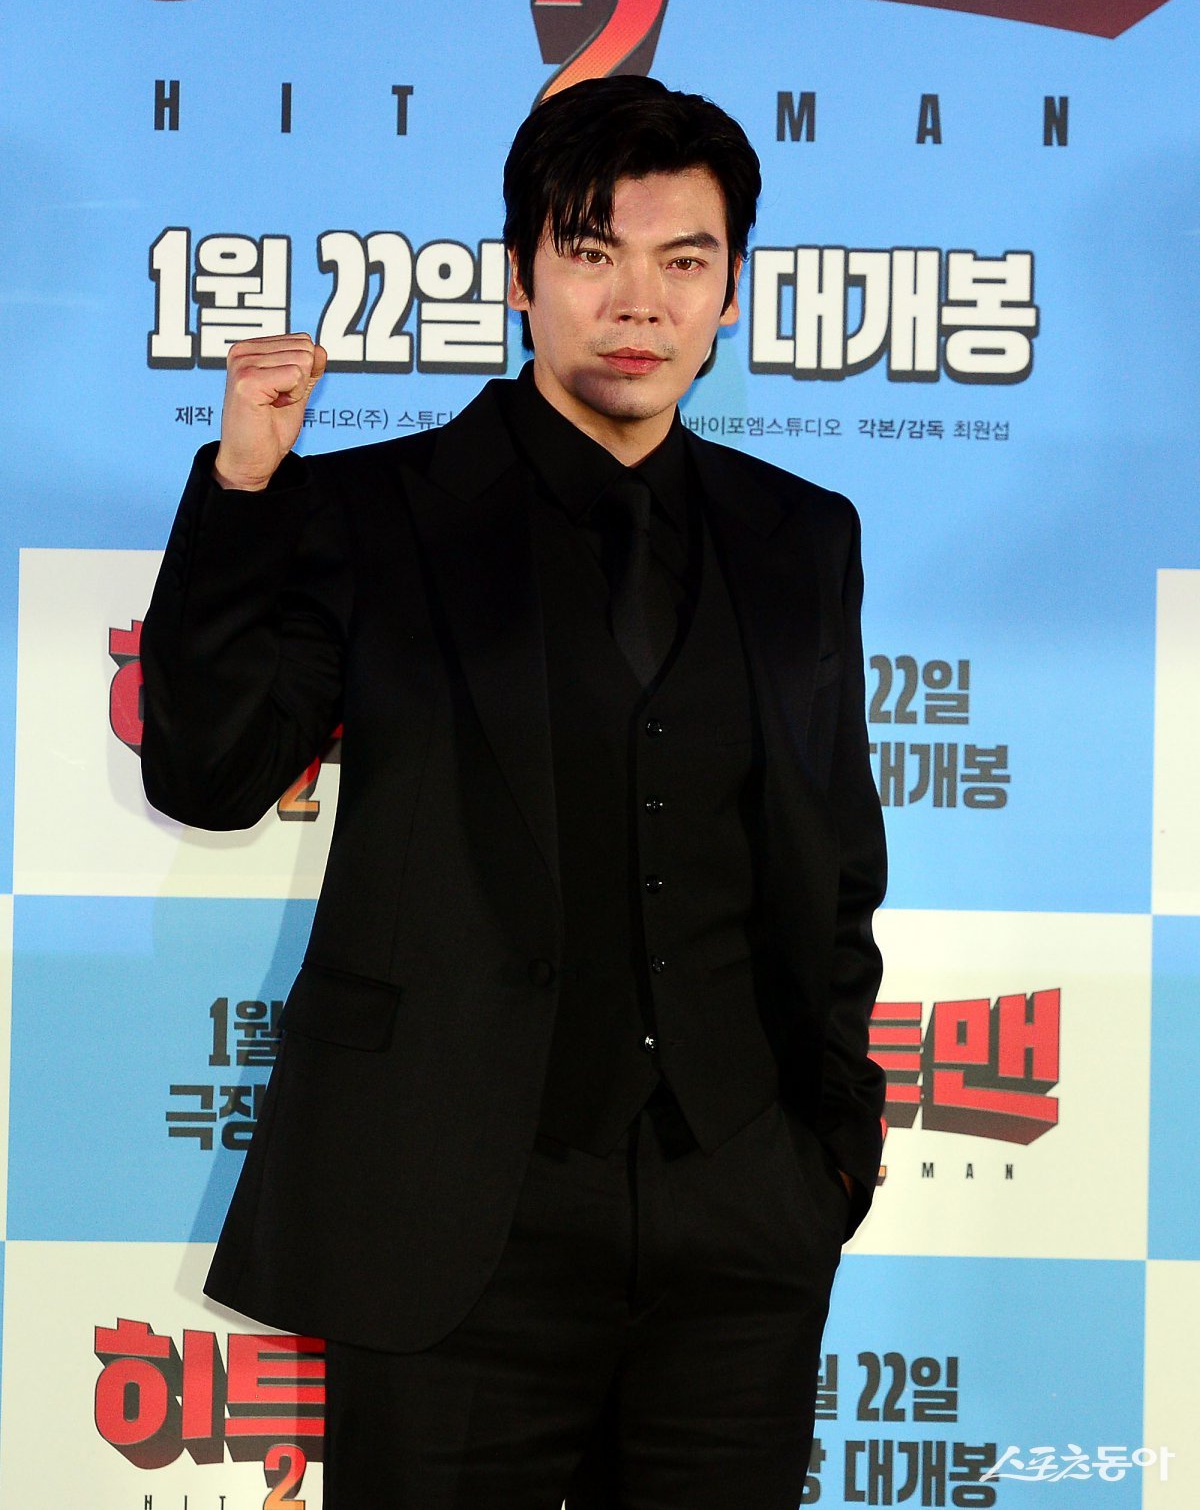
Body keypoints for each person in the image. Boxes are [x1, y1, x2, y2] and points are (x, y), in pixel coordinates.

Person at [140, 74, 887, 1510]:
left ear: (732, 292)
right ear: (519, 278)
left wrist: (826, 1154)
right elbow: (212, 774)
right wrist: (242, 489)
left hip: (739, 1218)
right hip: (451, 1211)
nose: (639, 303)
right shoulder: (372, 510)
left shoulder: (801, 535)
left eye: (685, 262)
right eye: (593, 253)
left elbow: (834, 855)